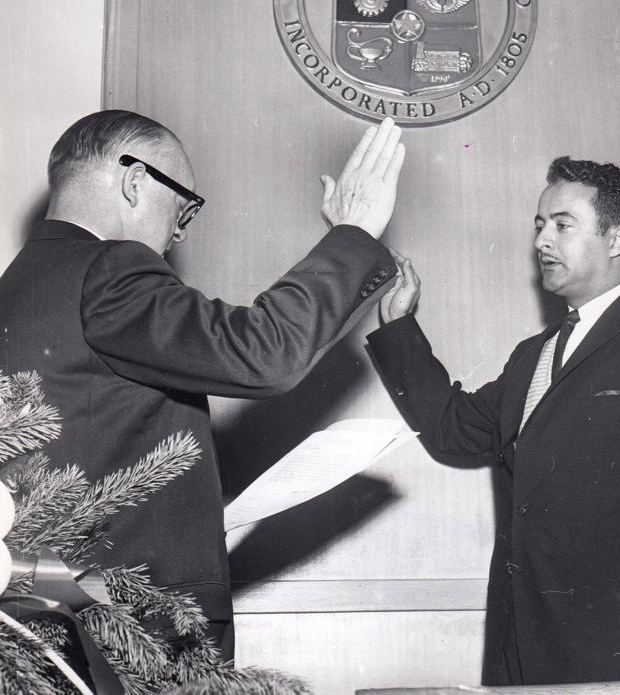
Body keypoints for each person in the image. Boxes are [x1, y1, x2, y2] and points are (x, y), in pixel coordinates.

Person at [0, 109, 405, 659]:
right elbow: (266, 351)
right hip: (137, 626)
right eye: (184, 205)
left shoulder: (18, 286)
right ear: (135, 181)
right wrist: (353, 234)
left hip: (43, 617)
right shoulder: (110, 268)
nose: (179, 230)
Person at [367, 157, 620, 693]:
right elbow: (452, 429)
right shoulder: (531, 356)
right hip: (519, 652)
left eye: (563, 224)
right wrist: (398, 325)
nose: (542, 240)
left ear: (616, 240)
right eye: (539, 225)